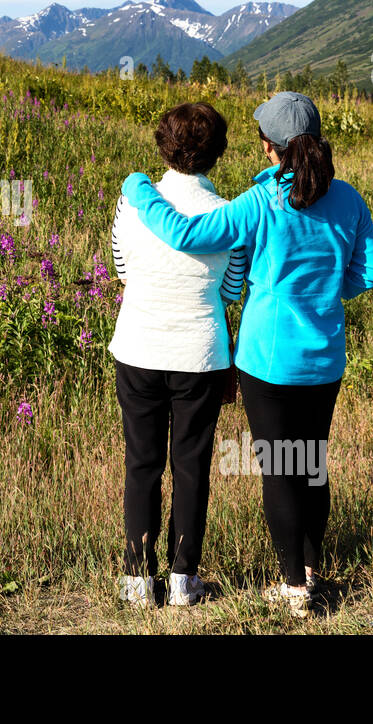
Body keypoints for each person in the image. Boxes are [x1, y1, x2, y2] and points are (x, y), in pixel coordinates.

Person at [120, 91, 373, 617]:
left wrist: (138, 188)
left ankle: (293, 589)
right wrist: (328, 294)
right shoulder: (349, 199)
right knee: (312, 463)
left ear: (269, 146)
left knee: (281, 468)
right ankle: (310, 572)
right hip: (326, 355)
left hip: (267, 360)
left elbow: (186, 233)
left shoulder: (261, 201)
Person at [110, 101, 245, 608]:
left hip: (138, 345)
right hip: (201, 352)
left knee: (141, 463)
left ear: (162, 146)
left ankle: (137, 580)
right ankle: (185, 579)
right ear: (219, 153)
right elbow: (232, 288)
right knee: (192, 465)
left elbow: (121, 265)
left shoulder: (134, 203)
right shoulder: (229, 214)